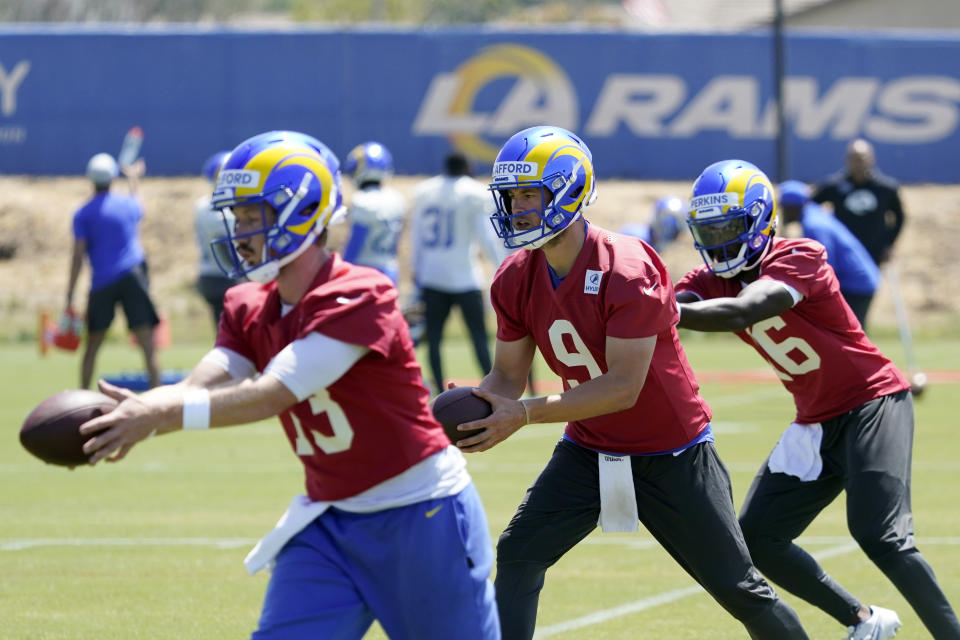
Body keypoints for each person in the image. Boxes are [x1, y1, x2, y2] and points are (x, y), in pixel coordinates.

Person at [77, 131, 500, 640]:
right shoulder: (248, 303)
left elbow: (275, 392)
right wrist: (137, 411)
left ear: (300, 211)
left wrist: (159, 417)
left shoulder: (360, 294)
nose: (240, 230)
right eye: (237, 216)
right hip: (330, 523)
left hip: (420, 516)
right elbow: (200, 383)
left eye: (252, 215)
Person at [454, 126, 809, 640]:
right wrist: (478, 407)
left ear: (568, 190)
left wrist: (525, 414)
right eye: (510, 196)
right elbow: (507, 376)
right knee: (519, 554)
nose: (516, 208)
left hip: (673, 451)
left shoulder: (626, 265)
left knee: (738, 588)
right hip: (589, 447)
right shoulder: (514, 276)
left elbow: (624, 386)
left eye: (529, 193)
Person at [674, 159, 960, 640]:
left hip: (873, 403)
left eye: (730, 226)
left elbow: (748, 308)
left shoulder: (798, 255)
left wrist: (660, 307)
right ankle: (864, 622)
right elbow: (668, 304)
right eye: (710, 229)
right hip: (816, 419)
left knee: (881, 536)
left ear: (762, 221)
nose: (719, 239)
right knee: (759, 540)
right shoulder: (707, 283)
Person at [410, 151, 506, 393]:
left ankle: (441, 390)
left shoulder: (425, 191)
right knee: (478, 337)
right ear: (467, 167)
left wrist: (416, 269)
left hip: (432, 274)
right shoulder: (473, 192)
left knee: (434, 339)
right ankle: (492, 387)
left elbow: (416, 236)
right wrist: (502, 266)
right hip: (465, 275)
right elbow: (485, 236)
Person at [65, 152, 160, 389]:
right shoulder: (127, 204)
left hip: (102, 283)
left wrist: (70, 292)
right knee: (147, 345)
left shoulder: (83, 213)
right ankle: (160, 402)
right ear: (112, 177)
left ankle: (81, 400)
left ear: (90, 178)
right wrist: (134, 178)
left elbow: (78, 256)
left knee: (92, 347)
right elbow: (139, 206)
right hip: (133, 277)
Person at [779, 180, 879, 327]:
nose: (782, 212)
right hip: (858, 281)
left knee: (845, 338)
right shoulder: (816, 214)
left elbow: (824, 264)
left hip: (854, 284)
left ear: (792, 206)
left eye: (784, 207)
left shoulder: (813, 224)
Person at [812, 138, 905, 269]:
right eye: (854, 158)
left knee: (868, 286)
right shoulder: (834, 186)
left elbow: (899, 217)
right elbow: (810, 206)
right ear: (846, 160)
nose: (858, 163)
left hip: (873, 249)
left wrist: (889, 243)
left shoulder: (886, 188)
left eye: (862, 158)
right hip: (843, 250)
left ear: (871, 159)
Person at [341, 141, 407, 284]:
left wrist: (343, 269)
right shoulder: (396, 199)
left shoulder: (362, 201)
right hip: (389, 270)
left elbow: (355, 245)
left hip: (364, 271)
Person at [194, 150, 236, 330]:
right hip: (224, 275)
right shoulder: (213, 210)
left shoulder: (201, 206)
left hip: (210, 274)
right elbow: (225, 243)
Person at [619, 195, 685, 252]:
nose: (668, 231)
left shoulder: (657, 245)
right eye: (665, 225)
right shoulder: (635, 237)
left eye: (674, 228)